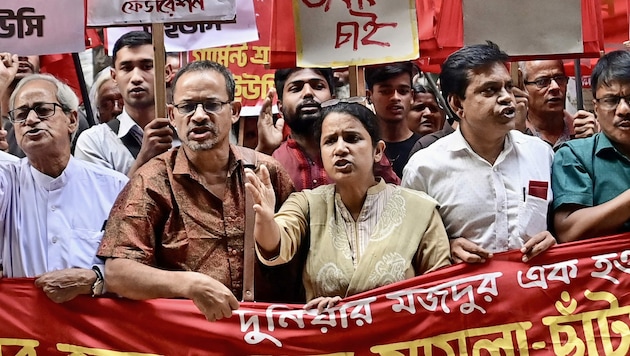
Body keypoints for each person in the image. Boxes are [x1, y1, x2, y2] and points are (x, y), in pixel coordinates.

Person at [97, 60, 295, 322]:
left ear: (234, 111)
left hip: (268, 336)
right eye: (187, 107)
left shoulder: (266, 172)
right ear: (172, 116)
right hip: (190, 340)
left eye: (212, 105)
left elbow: (304, 252)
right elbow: (118, 272)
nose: (199, 116)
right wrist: (188, 285)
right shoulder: (151, 181)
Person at [246, 102, 451, 311]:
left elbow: (443, 292)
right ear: (321, 154)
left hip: (397, 341)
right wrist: (266, 220)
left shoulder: (420, 209)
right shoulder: (307, 204)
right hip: (328, 336)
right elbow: (276, 245)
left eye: (352, 138)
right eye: (330, 141)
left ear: (378, 151)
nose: (340, 149)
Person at [402, 42, 556, 264]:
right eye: (490, 90)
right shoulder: (425, 168)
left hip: (534, 292)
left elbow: (559, 228)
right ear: (457, 104)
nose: (506, 97)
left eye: (508, 87)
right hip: (466, 296)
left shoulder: (541, 154)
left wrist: (553, 239)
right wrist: (445, 246)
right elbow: (407, 247)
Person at [0, 73, 128, 302]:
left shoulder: (114, 186)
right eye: (20, 115)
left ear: (72, 120)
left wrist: (95, 279)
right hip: (25, 333)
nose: (30, 120)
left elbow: (139, 266)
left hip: (95, 331)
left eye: (42, 110)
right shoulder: (7, 181)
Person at [256, 67, 399, 191]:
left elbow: (396, 199)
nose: (308, 93)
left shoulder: (359, 150)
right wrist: (263, 151)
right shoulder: (271, 158)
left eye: (318, 86)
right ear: (280, 107)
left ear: (333, 99)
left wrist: (368, 134)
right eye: (296, 88)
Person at [552, 50, 630, 242]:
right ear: (595, 107)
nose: (623, 110)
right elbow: (568, 231)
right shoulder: (575, 155)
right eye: (611, 100)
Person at [75, 31, 176, 177]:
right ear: (114, 76)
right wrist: (144, 158)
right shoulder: (95, 142)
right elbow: (103, 199)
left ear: (166, 73)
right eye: (126, 68)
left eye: (147, 66)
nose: (136, 78)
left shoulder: (190, 130)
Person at [519, 60, 597, 149]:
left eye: (559, 79)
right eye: (542, 81)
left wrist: (595, 143)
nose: (555, 87)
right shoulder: (513, 135)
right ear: (522, 87)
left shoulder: (583, 130)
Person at [365, 62, 420, 178]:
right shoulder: (363, 149)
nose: (395, 98)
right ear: (369, 96)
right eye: (385, 91)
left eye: (403, 91)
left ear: (412, 96)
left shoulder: (425, 148)